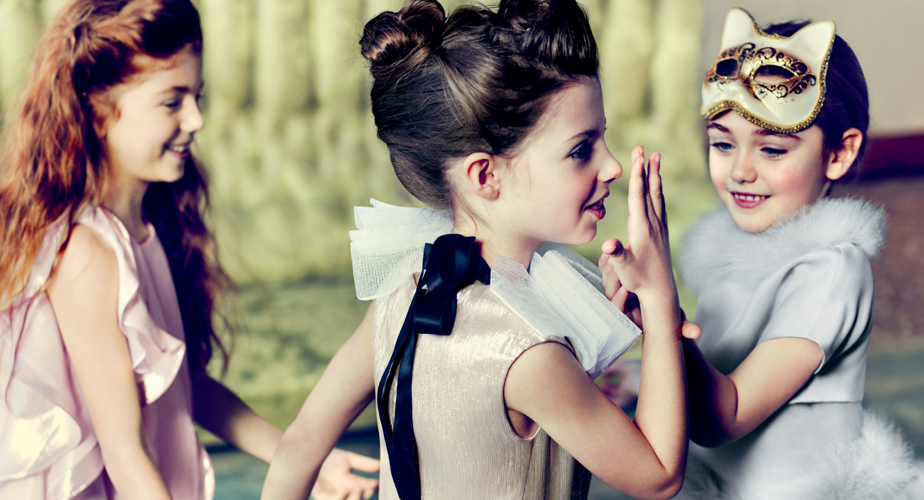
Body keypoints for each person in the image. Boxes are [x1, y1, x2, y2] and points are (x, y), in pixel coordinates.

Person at [260, 0, 701, 499]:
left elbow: (299, 443)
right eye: (581, 149)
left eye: (604, 139)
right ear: (485, 175)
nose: (613, 166)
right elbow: (660, 476)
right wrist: (661, 300)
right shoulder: (530, 353)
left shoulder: (404, 290)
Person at [0, 1, 377, 498]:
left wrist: (306, 459)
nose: (196, 119)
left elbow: (182, 387)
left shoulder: (152, 219)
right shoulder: (87, 255)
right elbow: (125, 450)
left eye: (196, 96)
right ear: (98, 109)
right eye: (172, 101)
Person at [671, 8, 919, 499]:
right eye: (722, 144)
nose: (740, 171)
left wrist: (662, 317)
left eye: (773, 150)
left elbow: (725, 414)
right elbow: (717, 363)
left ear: (839, 154)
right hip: (714, 482)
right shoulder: (735, 254)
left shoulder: (831, 272)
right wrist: (632, 375)